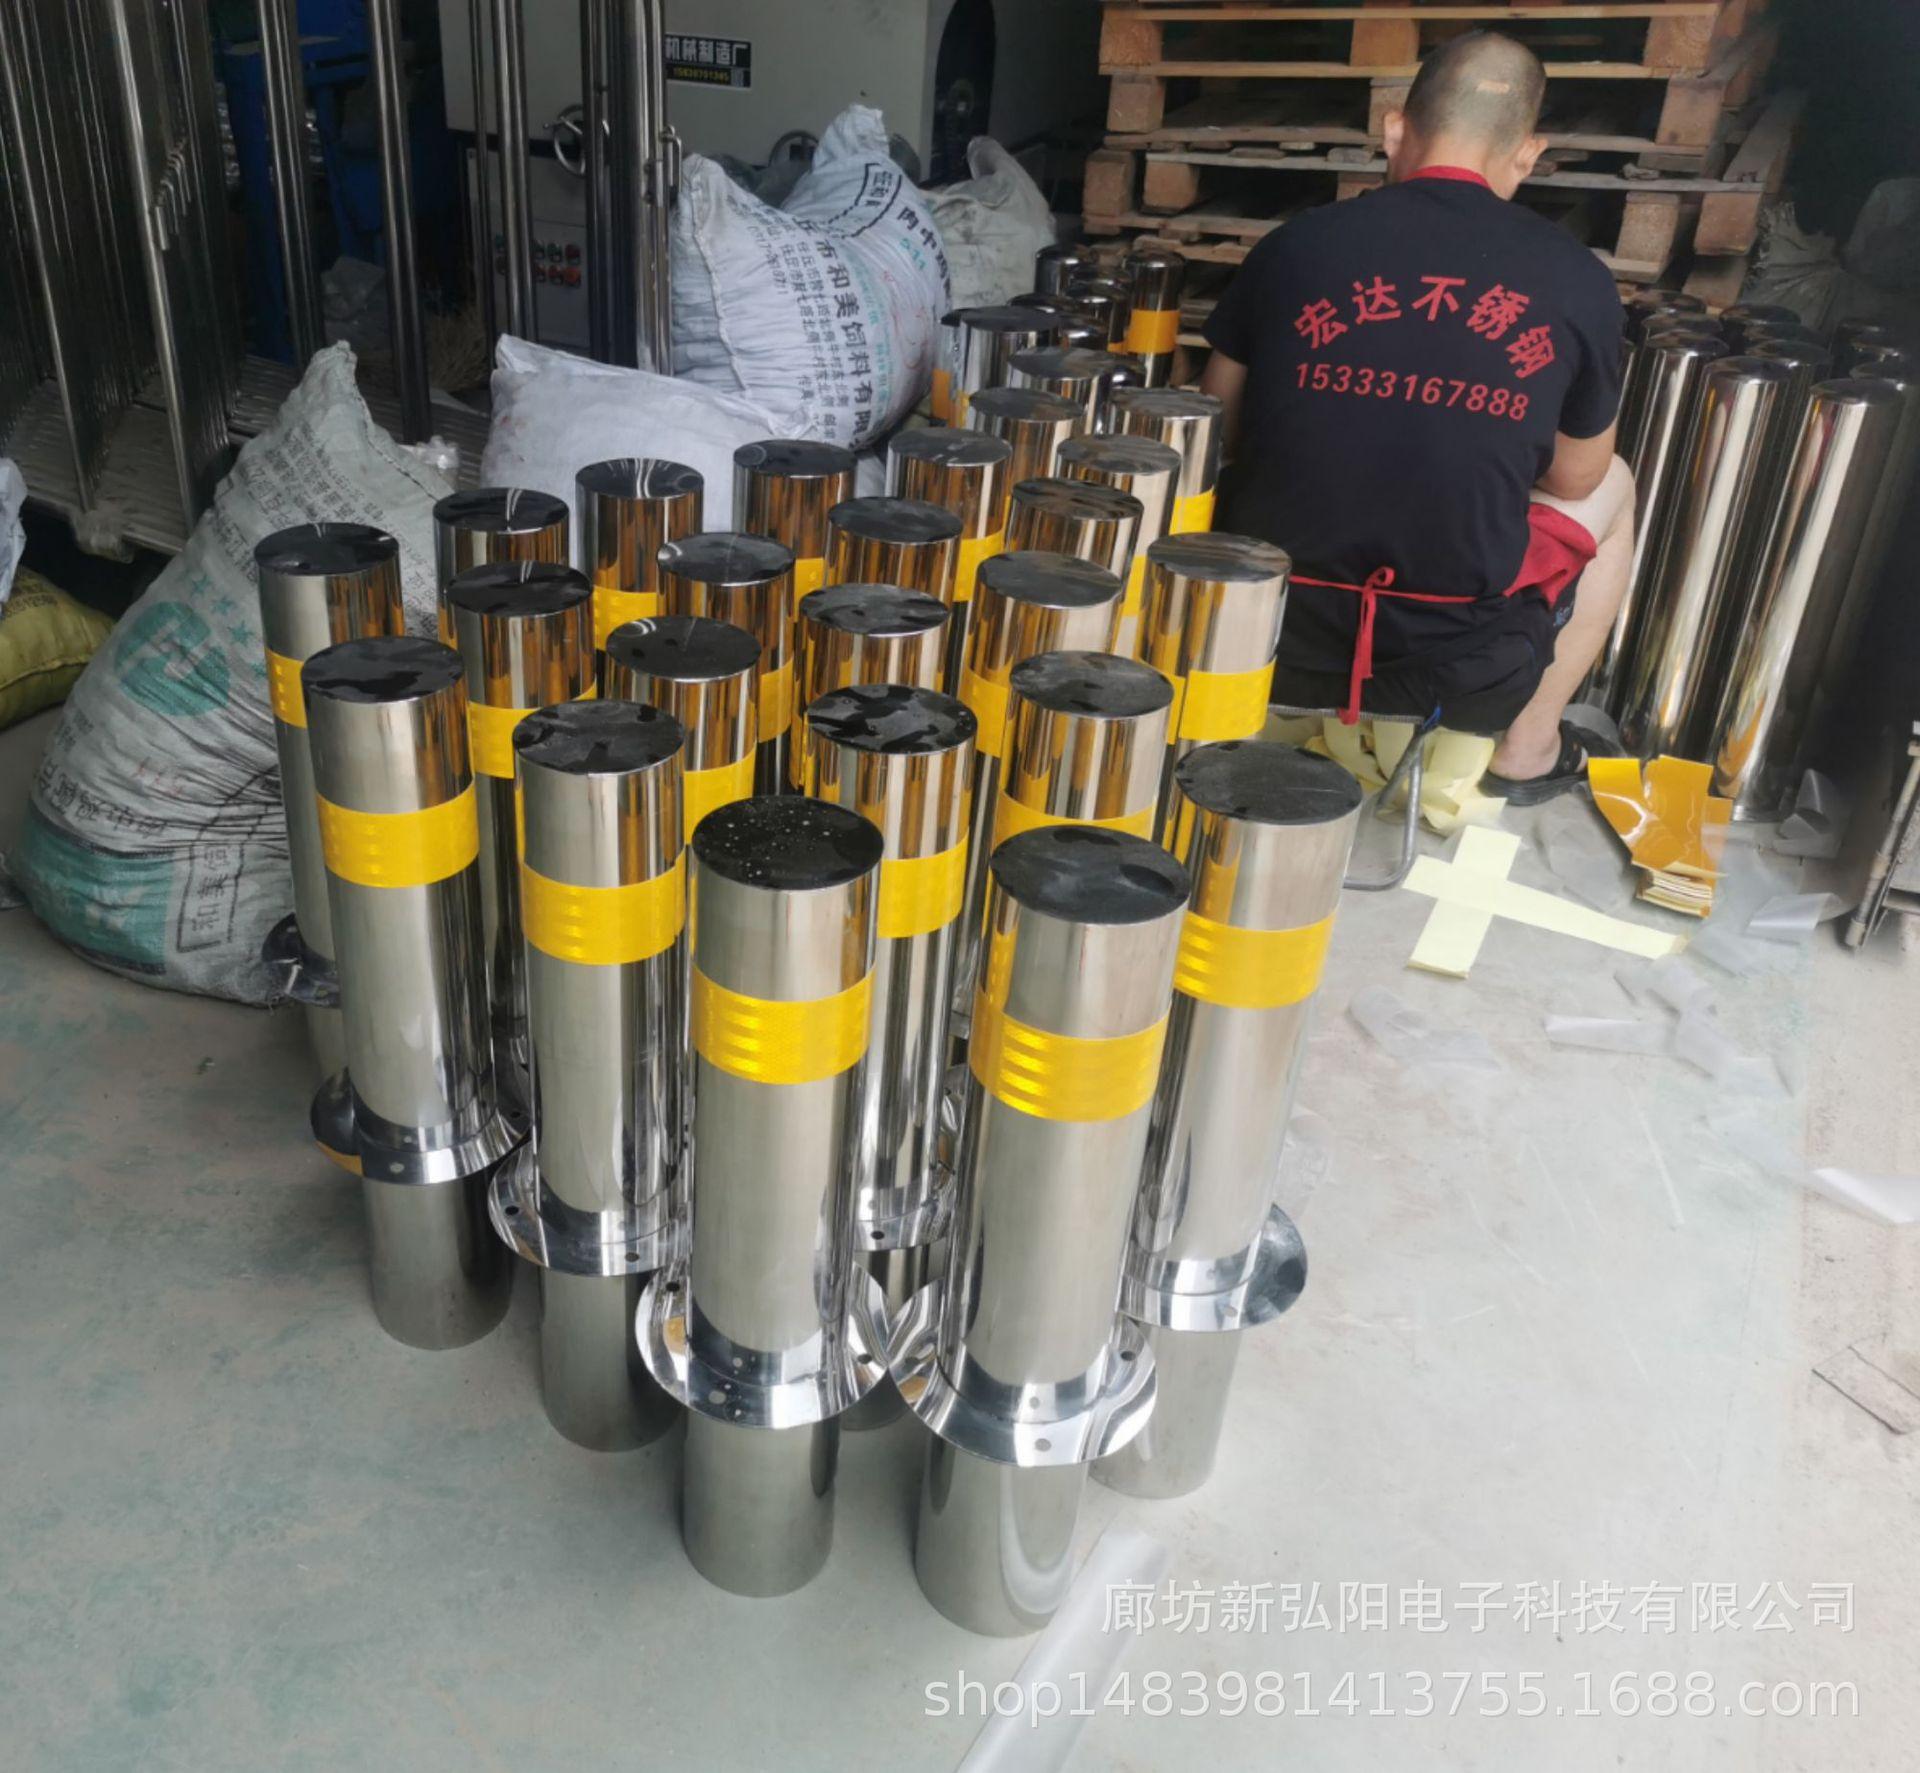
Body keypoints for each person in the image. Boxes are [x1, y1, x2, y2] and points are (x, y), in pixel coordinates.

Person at [1199, 29, 1634, 804]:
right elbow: (1576, 478)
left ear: (1395, 129)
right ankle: (1528, 747)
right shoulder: (1578, 279)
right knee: (1617, 483)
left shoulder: (1297, 245)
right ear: (1528, 154)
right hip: (1457, 657)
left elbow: (1217, 425)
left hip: (1261, 622)